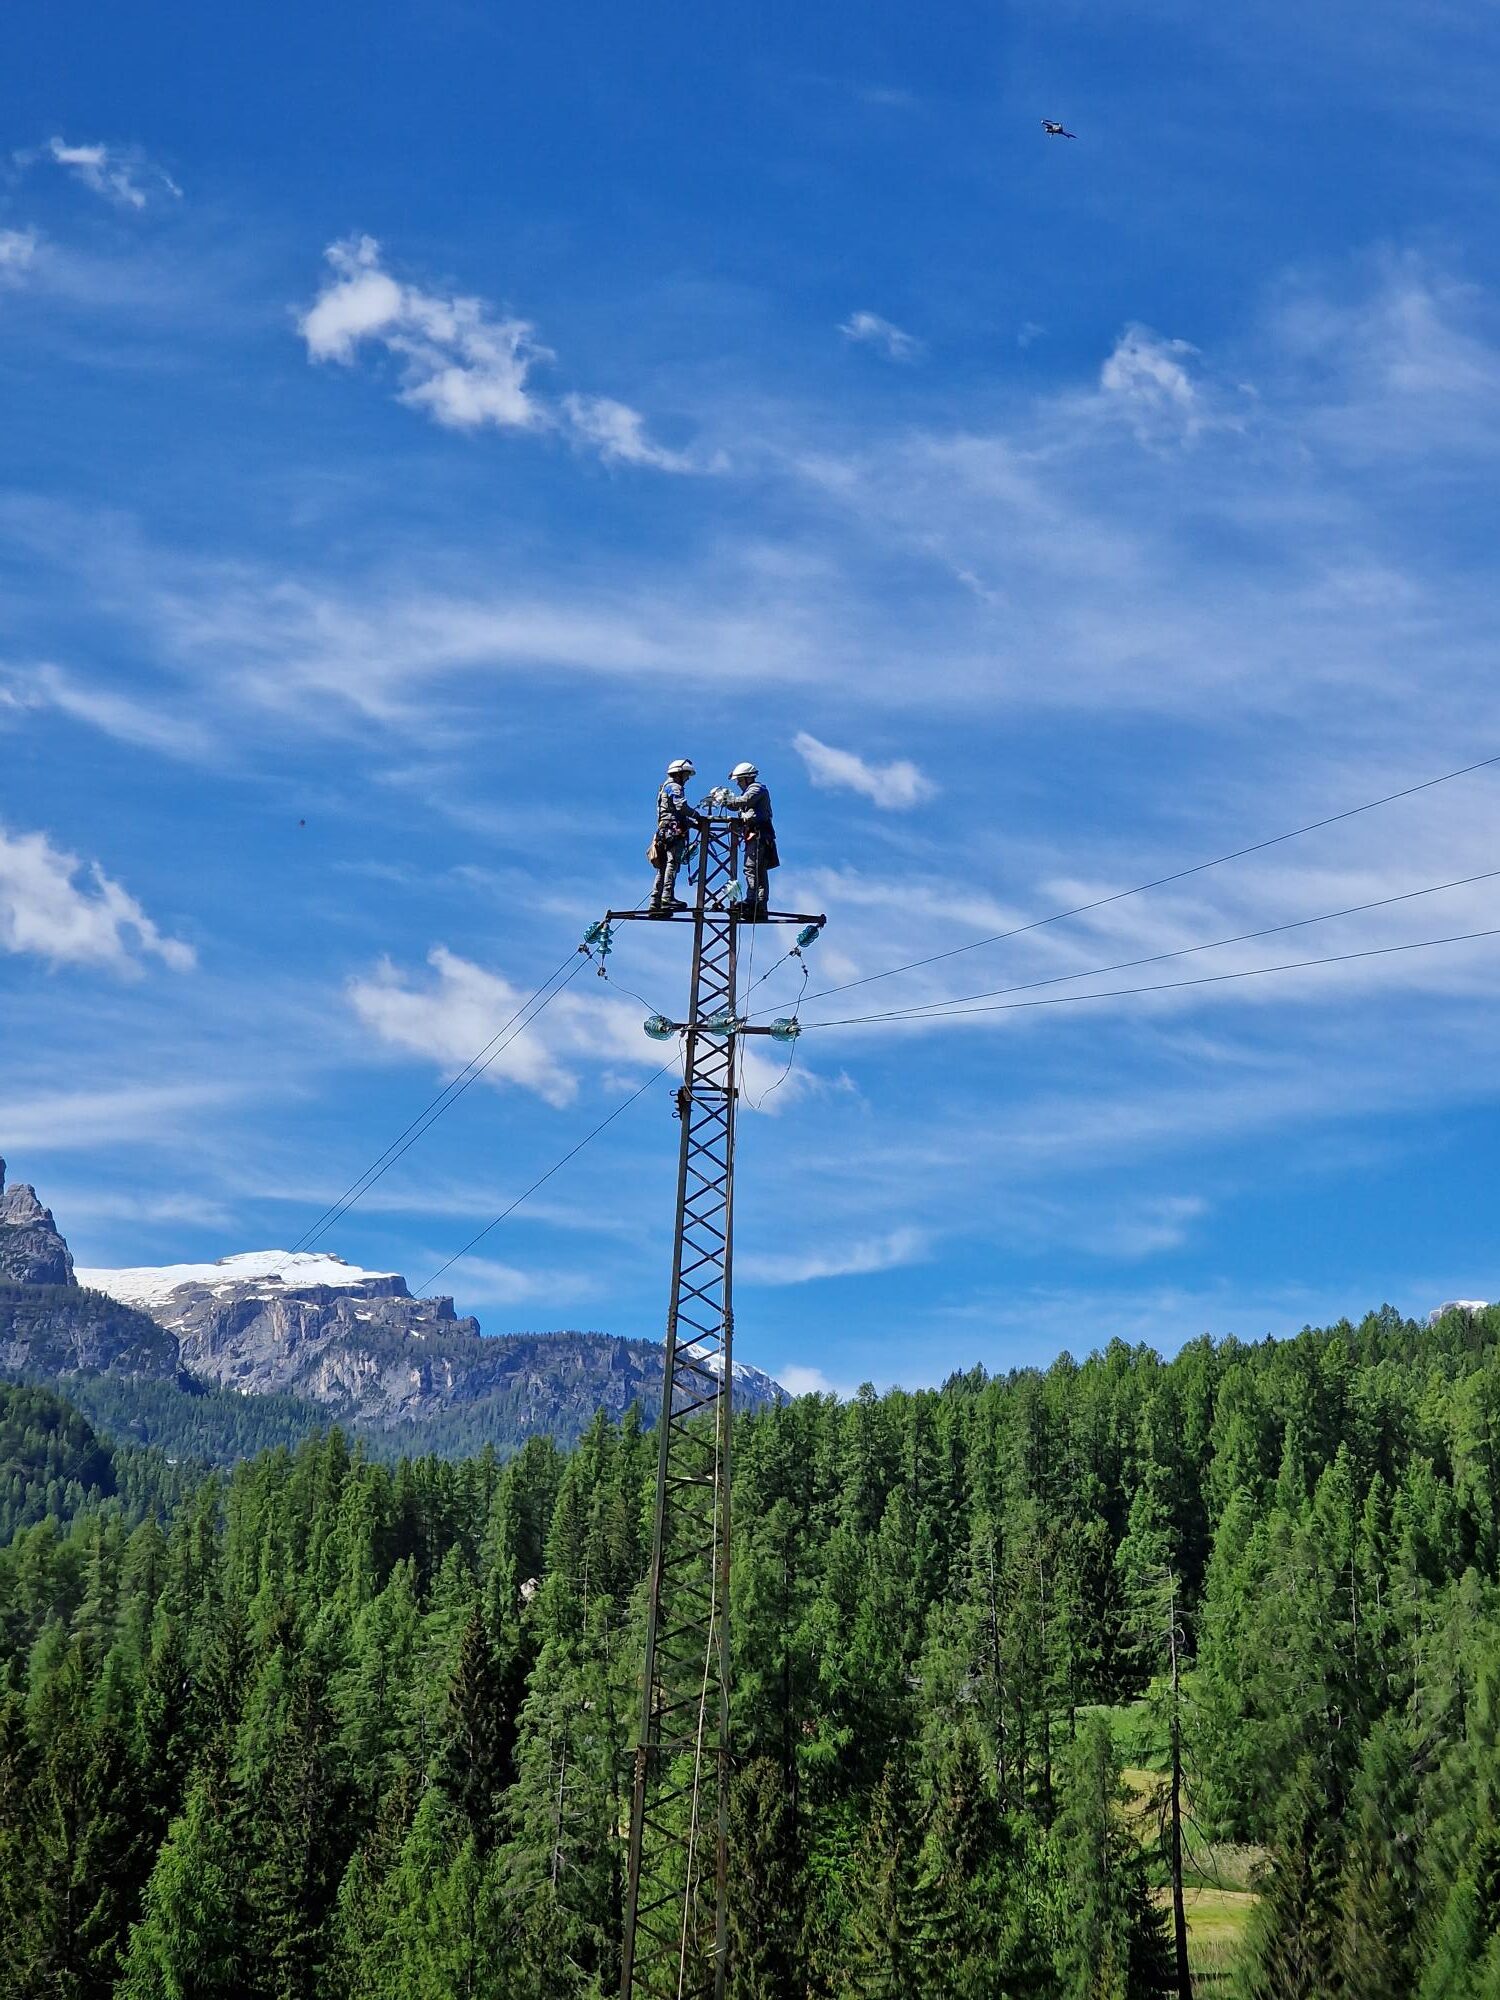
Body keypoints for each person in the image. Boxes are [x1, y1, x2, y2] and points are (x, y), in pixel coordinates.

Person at [716, 761, 778, 918]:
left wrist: (725, 799)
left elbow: (743, 802)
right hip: (757, 836)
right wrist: (726, 801)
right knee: (758, 871)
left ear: (748, 778)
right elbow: (736, 805)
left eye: (739, 780)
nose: (738, 784)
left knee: (752, 869)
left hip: (759, 836)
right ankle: (759, 904)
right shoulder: (749, 792)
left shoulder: (757, 789)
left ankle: (753, 902)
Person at [649, 759, 698, 914]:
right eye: (686, 775)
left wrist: (691, 823)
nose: (687, 779)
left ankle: (655, 900)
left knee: (663, 866)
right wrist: (696, 815)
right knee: (672, 863)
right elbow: (680, 807)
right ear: (679, 774)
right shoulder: (675, 787)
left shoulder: (664, 787)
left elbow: (671, 812)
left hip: (663, 831)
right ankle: (667, 897)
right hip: (673, 831)